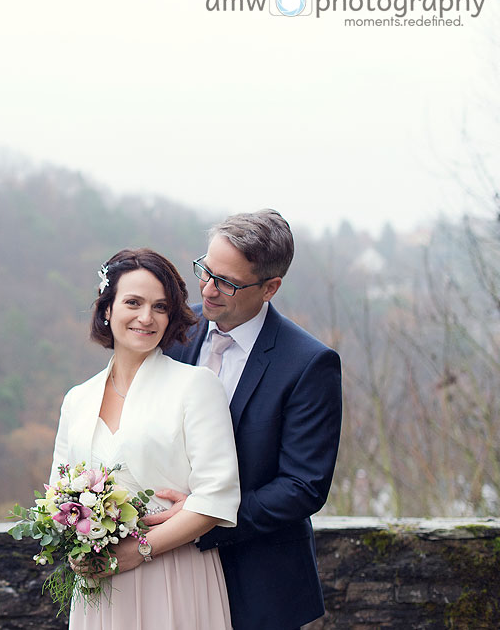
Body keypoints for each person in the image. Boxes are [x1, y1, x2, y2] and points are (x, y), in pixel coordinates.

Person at [146, 209, 343, 629]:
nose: (209, 289)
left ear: (270, 287)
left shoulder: (309, 364)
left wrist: (203, 518)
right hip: (168, 573)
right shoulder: (175, 328)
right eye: (206, 271)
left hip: (260, 582)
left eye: (228, 283)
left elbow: (303, 486)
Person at [48, 248, 241, 629]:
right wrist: (74, 548)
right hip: (99, 585)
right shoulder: (78, 399)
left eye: (159, 306)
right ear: (107, 309)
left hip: (174, 575)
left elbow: (217, 497)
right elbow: (57, 494)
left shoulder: (196, 386)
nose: (145, 317)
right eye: (133, 302)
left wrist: (139, 550)